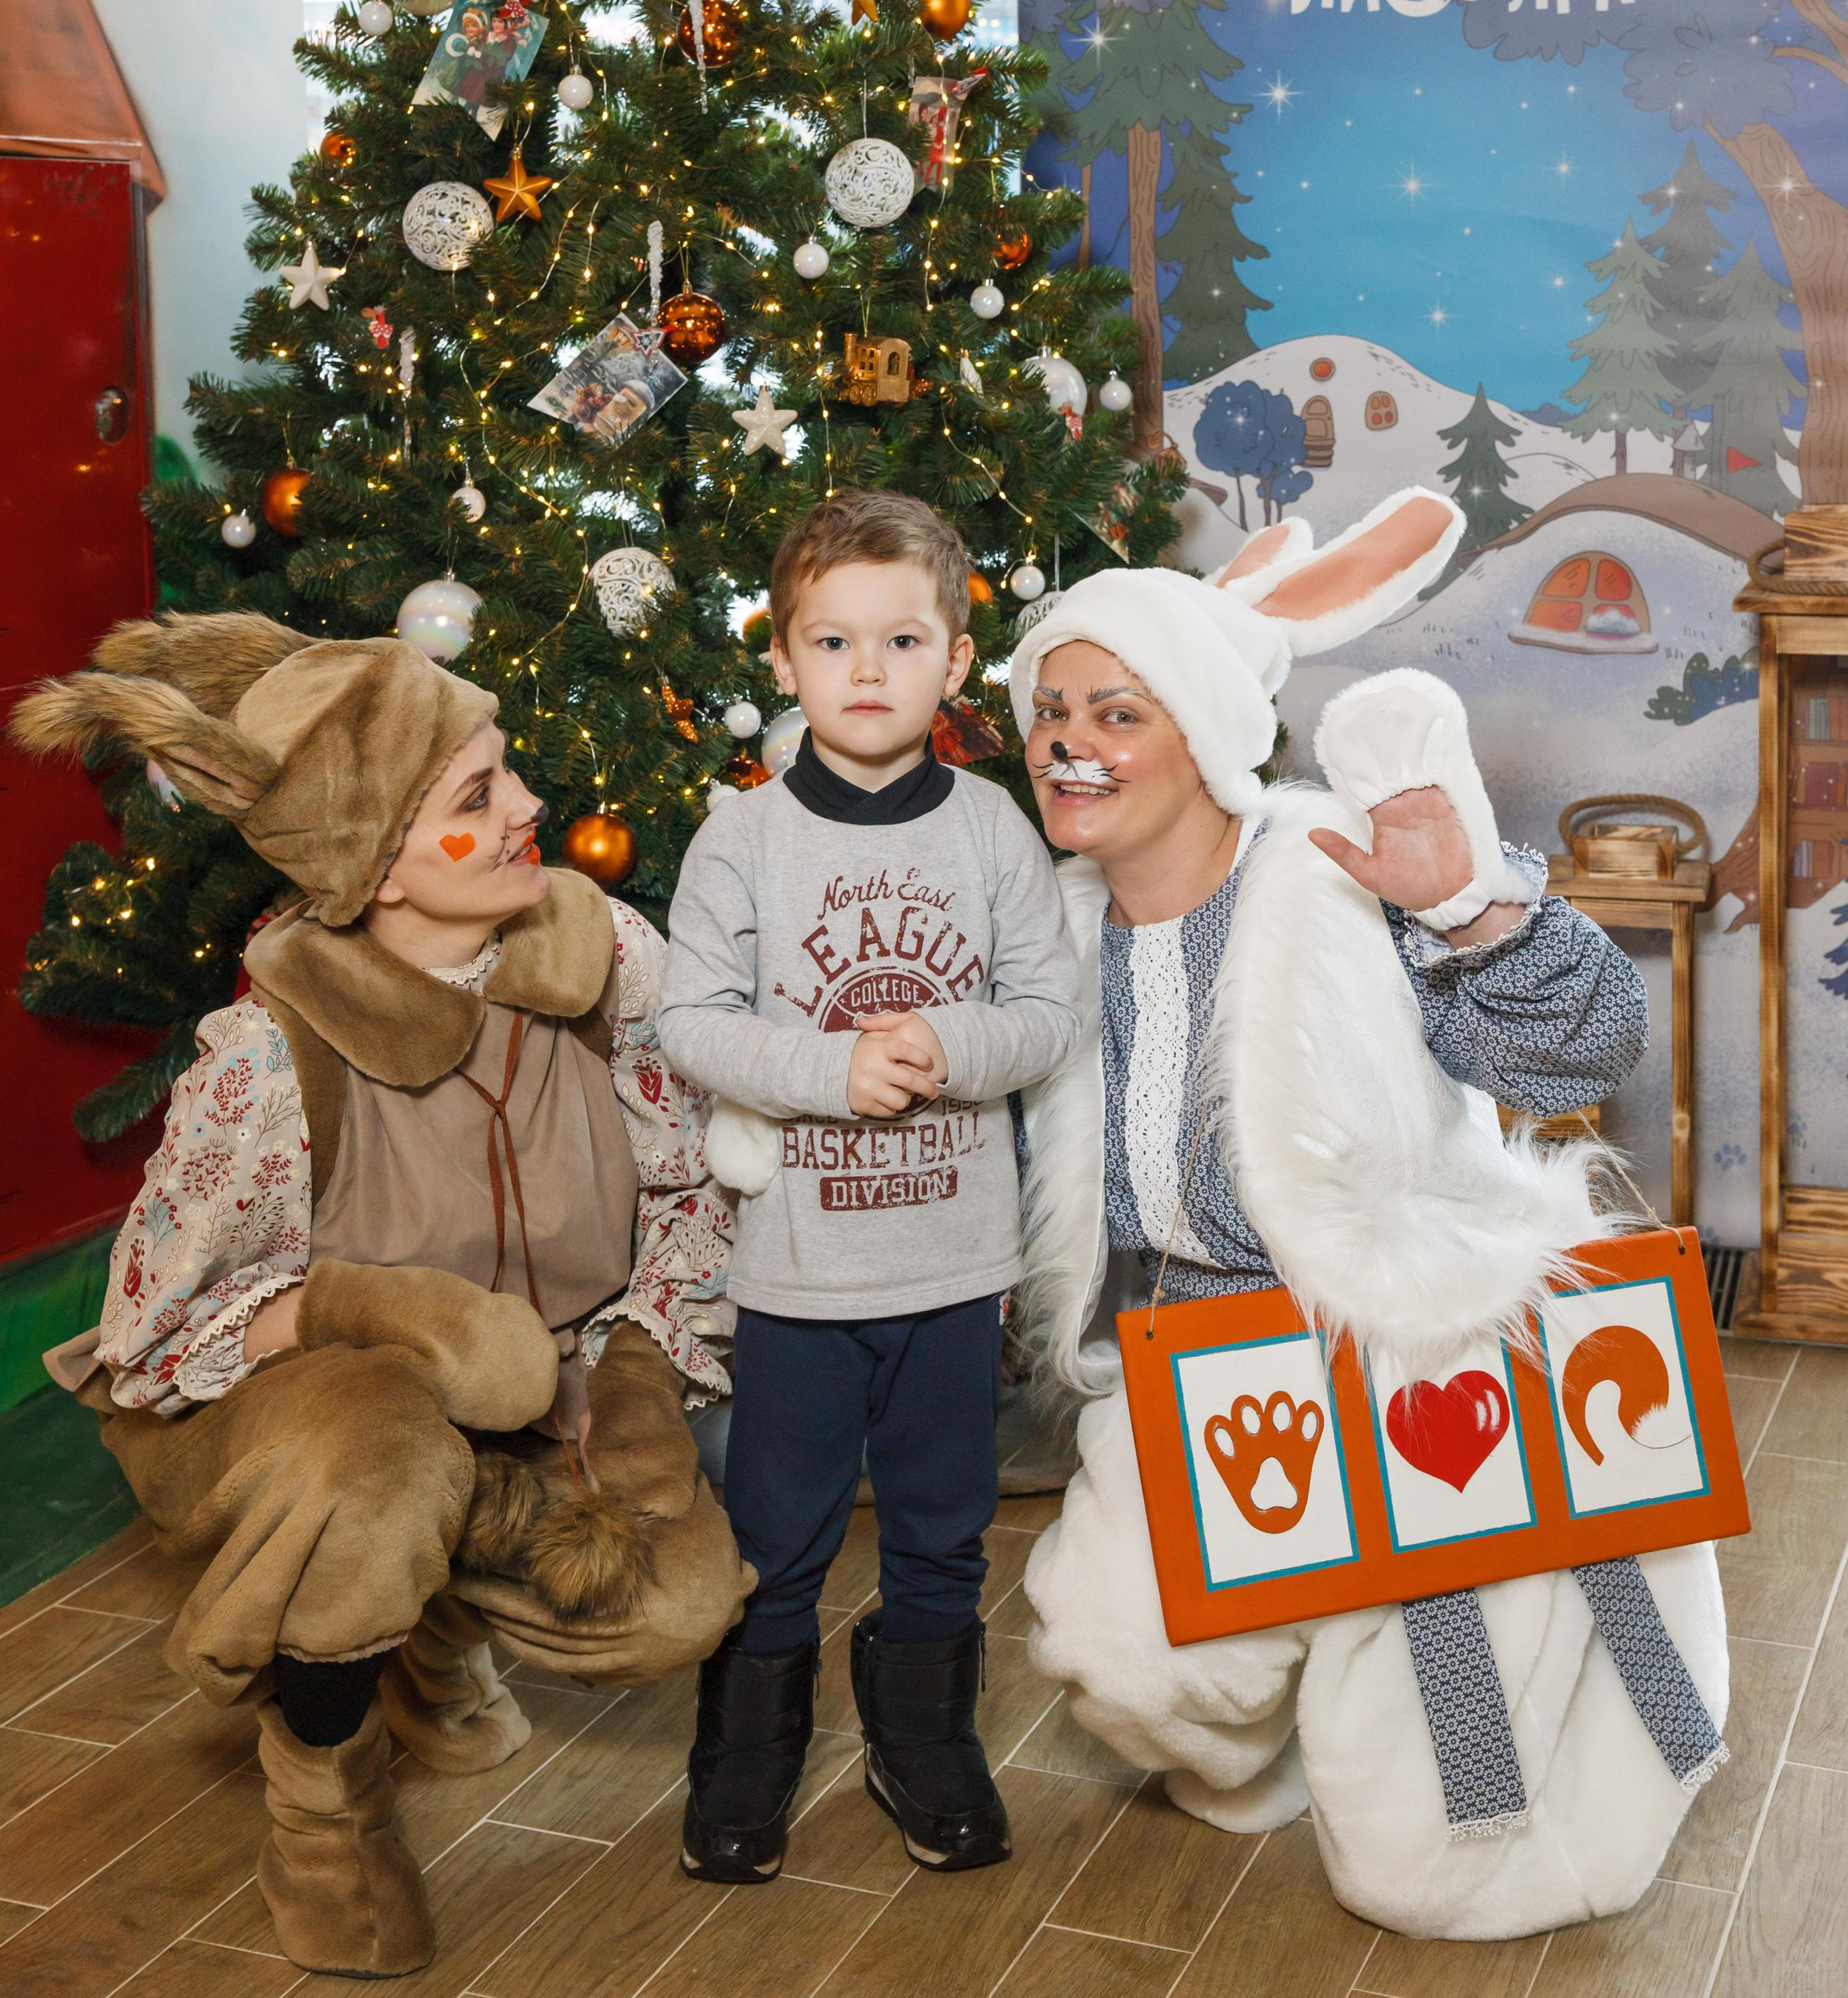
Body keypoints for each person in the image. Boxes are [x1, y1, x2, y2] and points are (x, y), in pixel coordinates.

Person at [1005, 491, 1730, 1943]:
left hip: (1419, 1362)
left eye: (1118, 711)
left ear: (1207, 732)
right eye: (1051, 709)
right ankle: (1284, 1707)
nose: (1070, 740)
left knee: (1430, 1867)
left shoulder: (1332, 881)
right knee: (1111, 1653)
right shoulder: (1052, 928)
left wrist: (1472, 910)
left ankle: (1432, 1713)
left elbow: (1585, 1052)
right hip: (1208, 1368)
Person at [13, 614, 747, 1979]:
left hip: (540, 1392)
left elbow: (696, 1190)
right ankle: (323, 1785)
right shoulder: (265, 1065)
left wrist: (639, 1358)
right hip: (291, 1411)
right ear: (370, 868)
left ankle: (419, 1617)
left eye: (506, 767)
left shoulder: (608, 967)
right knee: (380, 1452)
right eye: (477, 795)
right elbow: (152, 1337)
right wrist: (372, 1314)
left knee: (679, 1600)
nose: (531, 803)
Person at [660, 490, 1082, 1884]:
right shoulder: (744, 840)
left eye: (902, 641)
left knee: (943, 1522)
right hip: (801, 1275)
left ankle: (926, 1737)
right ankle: (748, 1751)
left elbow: (1048, 1010)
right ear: (781, 660)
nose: (867, 671)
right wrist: (824, 1069)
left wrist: (952, 1044)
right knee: (778, 1531)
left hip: (954, 1269)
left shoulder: (993, 831)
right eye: (832, 643)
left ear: (957, 661)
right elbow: (694, 1021)